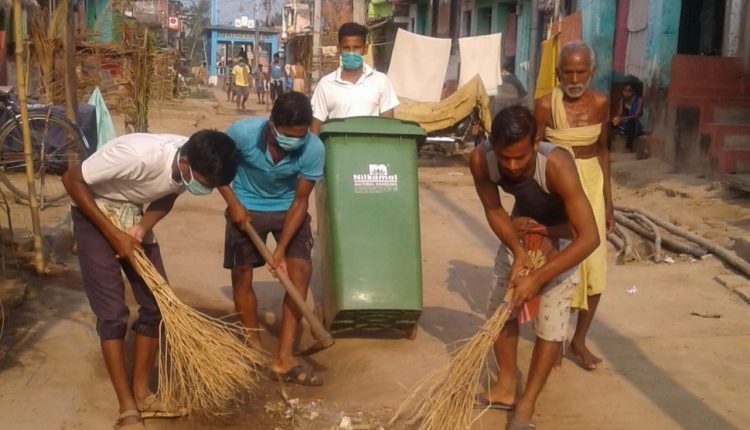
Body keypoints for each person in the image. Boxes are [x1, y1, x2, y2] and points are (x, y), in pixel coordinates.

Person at [61, 131, 239, 430]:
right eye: (204, 183)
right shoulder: (138, 156)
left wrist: (140, 229)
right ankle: (126, 406)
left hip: (131, 211)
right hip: (92, 208)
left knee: (157, 304)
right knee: (112, 313)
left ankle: (142, 394)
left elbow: (168, 196)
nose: (204, 189)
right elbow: (71, 180)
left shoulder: (191, 166)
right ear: (184, 162)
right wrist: (114, 234)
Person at [470, 106, 599, 430]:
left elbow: (589, 237)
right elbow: (494, 209)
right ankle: (505, 386)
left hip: (565, 234)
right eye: (505, 158)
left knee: (550, 323)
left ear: (536, 142)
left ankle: (527, 402)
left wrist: (539, 277)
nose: (512, 166)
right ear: (493, 145)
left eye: (521, 157)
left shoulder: (556, 164)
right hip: (522, 229)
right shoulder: (481, 160)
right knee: (502, 308)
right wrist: (518, 252)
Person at [220, 92, 325, 386]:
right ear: (272, 124)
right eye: (287, 136)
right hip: (245, 205)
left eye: (300, 136)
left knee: (300, 271)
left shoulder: (313, 148)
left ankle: (283, 358)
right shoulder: (242, 133)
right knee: (242, 273)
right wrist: (233, 203)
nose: (294, 142)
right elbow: (215, 167)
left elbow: (300, 201)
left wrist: (280, 250)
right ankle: (252, 345)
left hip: (288, 207)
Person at [534, 40, 612, 371]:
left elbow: (603, 150)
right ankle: (551, 339)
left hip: (591, 184)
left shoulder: (601, 103)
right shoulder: (544, 106)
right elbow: (533, 152)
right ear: (558, 74)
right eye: (568, 72)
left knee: (594, 267)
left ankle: (579, 339)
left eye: (581, 72)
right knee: (555, 264)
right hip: (557, 187)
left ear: (591, 72)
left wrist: (608, 202)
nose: (575, 79)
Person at [310, 22, 399, 134]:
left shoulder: (381, 81)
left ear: (365, 49)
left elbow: (389, 125)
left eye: (356, 47)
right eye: (346, 48)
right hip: (339, 144)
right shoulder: (326, 84)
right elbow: (315, 128)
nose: (351, 53)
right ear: (339, 48)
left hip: (372, 144)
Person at [611, 82, 643, 152]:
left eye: (629, 91)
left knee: (631, 122)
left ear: (633, 92)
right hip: (625, 122)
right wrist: (616, 118)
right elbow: (620, 112)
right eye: (625, 91)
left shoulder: (638, 99)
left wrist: (623, 118)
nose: (627, 93)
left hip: (635, 123)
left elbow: (636, 115)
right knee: (611, 123)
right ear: (623, 92)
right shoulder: (622, 100)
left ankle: (629, 147)